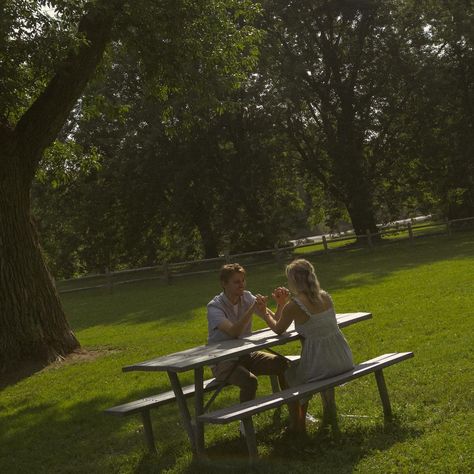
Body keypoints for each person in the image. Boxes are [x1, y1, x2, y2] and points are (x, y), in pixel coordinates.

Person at [257, 258, 354, 432]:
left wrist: (264, 313)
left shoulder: (295, 305)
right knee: (306, 369)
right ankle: (328, 412)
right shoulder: (325, 296)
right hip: (343, 357)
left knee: (289, 373)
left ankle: (298, 423)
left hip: (322, 364)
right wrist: (280, 306)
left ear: (293, 281)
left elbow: (278, 329)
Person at [207, 263, 289, 407]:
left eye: (243, 280)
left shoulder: (247, 297)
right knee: (250, 381)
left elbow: (275, 320)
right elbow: (234, 332)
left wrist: (281, 304)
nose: (242, 285)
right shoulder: (214, 307)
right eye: (237, 281)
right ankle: (245, 427)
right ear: (224, 283)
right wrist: (252, 308)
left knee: (282, 364)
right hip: (222, 361)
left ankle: (294, 410)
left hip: (246, 354)